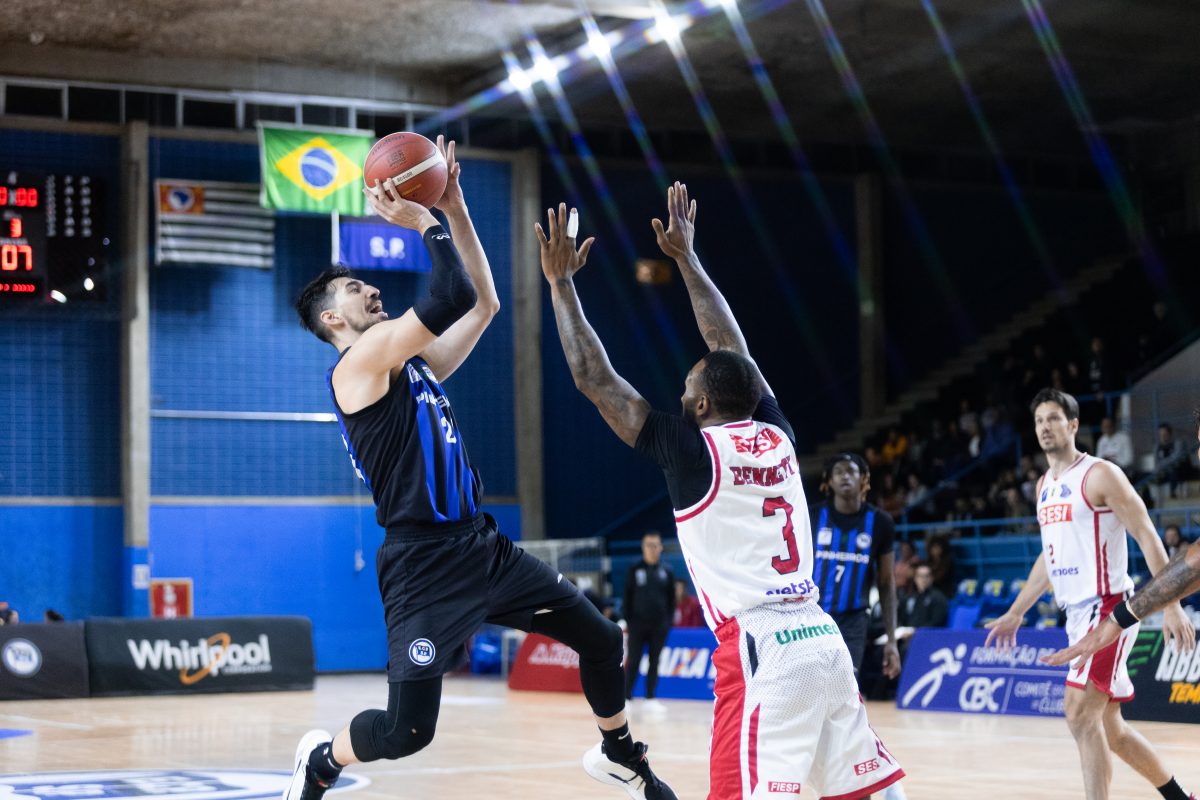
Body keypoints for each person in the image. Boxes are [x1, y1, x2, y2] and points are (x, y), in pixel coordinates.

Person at [287, 137, 675, 800]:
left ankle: (618, 753)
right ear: (332, 318)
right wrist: (422, 219)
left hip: (481, 547)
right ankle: (322, 760)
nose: (371, 288)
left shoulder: (412, 366)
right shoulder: (358, 365)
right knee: (408, 732)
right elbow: (449, 292)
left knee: (600, 637)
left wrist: (456, 206)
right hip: (422, 565)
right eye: (355, 288)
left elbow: (483, 302)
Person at [539, 183, 904, 800]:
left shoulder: (691, 452)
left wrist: (561, 285)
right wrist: (688, 258)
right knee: (869, 790)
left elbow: (592, 377)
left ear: (704, 405)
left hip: (760, 646)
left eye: (687, 388)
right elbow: (733, 351)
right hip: (822, 638)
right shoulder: (779, 435)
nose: (680, 395)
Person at [985, 388, 1196, 800]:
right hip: (1076, 614)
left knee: (1079, 714)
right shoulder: (1043, 486)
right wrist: (1016, 611)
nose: (1045, 427)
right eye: (1039, 420)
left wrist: (1171, 604)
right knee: (1112, 732)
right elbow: (1048, 557)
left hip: (1109, 608)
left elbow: (1146, 535)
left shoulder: (1101, 475)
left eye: (1053, 418)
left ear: (1074, 425)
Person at [1044, 409, 1200, 670]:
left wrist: (1118, 619)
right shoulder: (1046, 485)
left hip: (1104, 600)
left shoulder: (1101, 476)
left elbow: (1191, 561)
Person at [809, 453, 901, 682]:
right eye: (838, 472)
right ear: (829, 481)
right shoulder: (812, 516)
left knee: (845, 685)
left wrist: (891, 640)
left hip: (854, 620)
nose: (845, 476)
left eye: (851, 471)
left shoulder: (881, 522)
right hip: (812, 615)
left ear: (863, 479)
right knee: (810, 684)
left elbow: (886, 583)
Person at [623, 531, 676, 710]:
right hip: (637, 625)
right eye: (649, 545)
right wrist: (629, 620)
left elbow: (671, 600)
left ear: (660, 547)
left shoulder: (666, 571)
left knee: (655, 661)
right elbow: (627, 596)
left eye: (655, 545)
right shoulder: (634, 569)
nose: (652, 549)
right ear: (643, 547)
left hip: (659, 626)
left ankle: (650, 698)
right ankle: (626, 697)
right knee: (634, 660)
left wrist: (668, 622)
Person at [899, 563, 948, 631]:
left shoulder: (938, 598)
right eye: (920, 576)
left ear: (932, 578)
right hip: (907, 632)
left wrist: (917, 631)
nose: (924, 579)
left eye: (927, 576)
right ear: (915, 578)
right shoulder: (909, 598)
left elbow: (937, 622)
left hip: (926, 634)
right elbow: (902, 618)